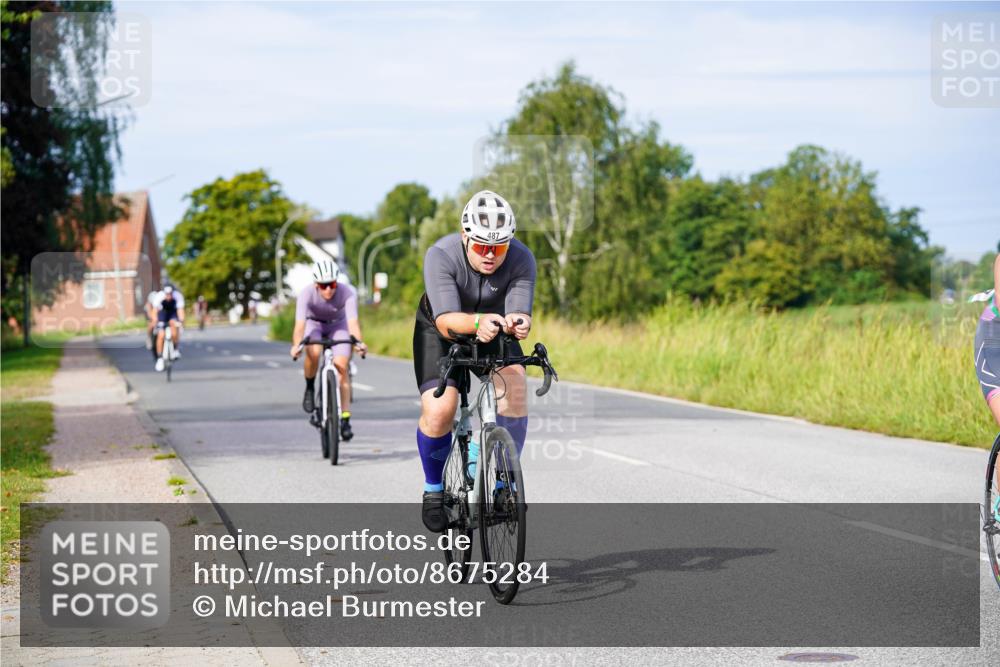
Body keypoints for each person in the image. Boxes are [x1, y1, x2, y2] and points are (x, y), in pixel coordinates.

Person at [413, 190, 535, 532]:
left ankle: (504, 484)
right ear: (465, 235)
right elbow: (446, 321)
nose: (490, 255)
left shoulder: (522, 258)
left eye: (499, 247)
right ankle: (434, 489)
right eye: (482, 246)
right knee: (440, 409)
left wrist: (519, 322)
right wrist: (478, 322)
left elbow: (519, 310)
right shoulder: (441, 255)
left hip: (493, 328)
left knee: (516, 388)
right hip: (441, 329)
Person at [290, 260, 367, 441]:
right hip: (314, 325)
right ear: (316, 285)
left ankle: (345, 420)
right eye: (324, 286)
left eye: (332, 284)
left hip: (338, 326)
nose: (328, 290)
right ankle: (310, 387)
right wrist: (296, 345)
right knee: (314, 352)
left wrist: (359, 343)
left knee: (341, 367)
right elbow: (300, 326)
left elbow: (353, 324)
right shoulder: (306, 294)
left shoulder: (347, 293)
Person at [153, 284, 185, 371]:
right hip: (162, 314)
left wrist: (181, 321)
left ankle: (175, 350)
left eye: (170, 294)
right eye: (167, 294)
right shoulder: (159, 296)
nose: (169, 296)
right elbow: (155, 312)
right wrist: (156, 322)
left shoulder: (178, 296)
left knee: (174, 328)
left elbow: (180, 311)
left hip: (172, 314)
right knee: (161, 335)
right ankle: (160, 358)